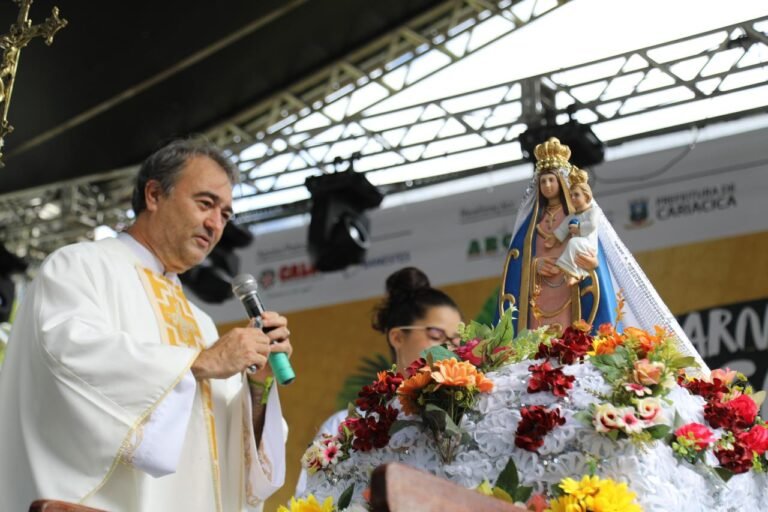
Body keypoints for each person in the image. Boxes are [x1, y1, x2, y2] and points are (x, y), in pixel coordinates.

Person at [0, 138, 291, 511]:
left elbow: (227, 448)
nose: (215, 224)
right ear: (154, 195)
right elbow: (69, 359)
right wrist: (198, 364)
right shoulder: (78, 266)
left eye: (225, 215)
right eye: (205, 204)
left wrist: (257, 384)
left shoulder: (201, 323)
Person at [499, 137, 707, 370]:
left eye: (552, 180)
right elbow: (517, 265)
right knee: (539, 348)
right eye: (543, 181)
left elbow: (593, 258)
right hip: (540, 297)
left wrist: (590, 265)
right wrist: (534, 266)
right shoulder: (529, 228)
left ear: (561, 182)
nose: (547, 186)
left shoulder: (581, 218)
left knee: (573, 341)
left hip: (572, 294)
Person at [294, 267, 462, 495]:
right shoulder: (345, 427)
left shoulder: (467, 418)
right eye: (436, 335)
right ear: (398, 337)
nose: (449, 348)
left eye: (456, 340)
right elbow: (309, 501)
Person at [546, 169, 599, 287]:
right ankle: (573, 274)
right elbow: (563, 228)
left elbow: (592, 225)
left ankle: (567, 271)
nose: (573, 198)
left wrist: (578, 229)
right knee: (573, 244)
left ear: (586, 195)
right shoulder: (572, 216)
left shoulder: (593, 211)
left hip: (589, 246)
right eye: (571, 195)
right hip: (577, 246)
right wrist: (554, 238)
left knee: (573, 242)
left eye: (576, 195)